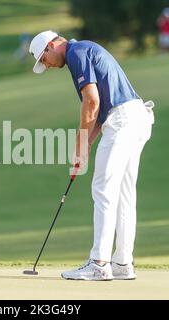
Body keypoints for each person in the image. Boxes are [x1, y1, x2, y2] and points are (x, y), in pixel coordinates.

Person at [29, 31, 154, 280]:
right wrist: (83, 152)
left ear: (52, 45)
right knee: (124, 194)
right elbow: (97, 113)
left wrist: (79, 145)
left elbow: (91, 103)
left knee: (103, 189)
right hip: (136, 117)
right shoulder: (84, 50)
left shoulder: (76, 53)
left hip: (121, 120)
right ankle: (122, 263)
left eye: (44, 59)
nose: (47, 65)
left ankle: (99, 263)